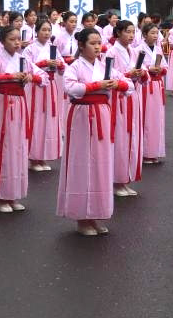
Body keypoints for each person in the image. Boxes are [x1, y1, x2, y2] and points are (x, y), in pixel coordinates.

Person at [58, 28, 125, 236]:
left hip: (102, 114)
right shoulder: (75, 66)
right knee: (82, 162)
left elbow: (128, 84)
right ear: (81, 45)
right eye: (92, 43)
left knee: (100, 163)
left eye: (99, 43)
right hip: (82, 115)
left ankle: (95, 213)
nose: (97, 47)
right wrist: (96, 85)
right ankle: (81, 217)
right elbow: (70, 88)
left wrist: (117, 83)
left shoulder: (106, 66)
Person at [0, 25, 46, 213]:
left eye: (18, 39)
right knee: (3, 146)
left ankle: (14, 194)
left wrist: (30, 77)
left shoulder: (24, 59)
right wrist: (10, 76)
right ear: (2, 41)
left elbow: (42, 76)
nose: (17, 42)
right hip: (2, 103)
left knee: (18, 147)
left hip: (19, 103)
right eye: (12, 39)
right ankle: (1, 195)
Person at [108, 20, 146, 197]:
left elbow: (143, 72)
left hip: (133, 96)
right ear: (118, 33)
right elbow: (108, 76)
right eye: (127, 32)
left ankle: (125, 179)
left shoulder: (134, 51)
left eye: (133, 32)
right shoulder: (111, 51)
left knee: (132, 137)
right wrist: (128, 75)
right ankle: (116, 180)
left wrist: (141, 73)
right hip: (119, 98)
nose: (131, 35)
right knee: (121, 138)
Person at [24, 20, 65, 172]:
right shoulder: (29, 49)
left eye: (49, 30)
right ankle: (33, 157)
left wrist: (59, 65)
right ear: (37, 31)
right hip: (36, 86)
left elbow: (63, 67)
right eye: (44, 30)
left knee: (48, 119)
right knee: (36, 119)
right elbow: (27, 66)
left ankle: (42, 156)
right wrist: (42, 63)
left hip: (51, 85)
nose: (47, 33)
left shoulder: (53, 48)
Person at [138, 23, 168, 165]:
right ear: (144, 35)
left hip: (157, 85)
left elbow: (166, 67)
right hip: (145, 85)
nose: (155, 36)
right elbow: (137, 66)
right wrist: (149, 69)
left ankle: (155, 151)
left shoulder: (158, 49)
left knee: (157, 118)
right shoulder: (138, 49)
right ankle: (145, 152)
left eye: (157, 33)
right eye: (152, 33)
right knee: (146, 117)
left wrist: (160, 69)